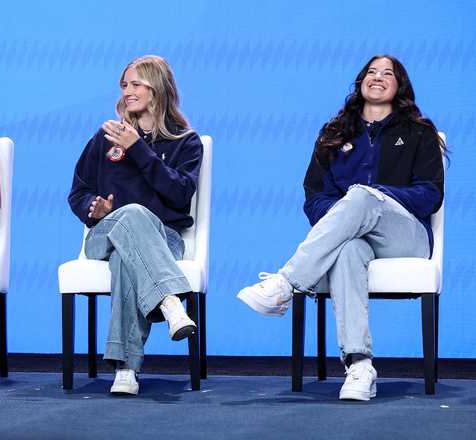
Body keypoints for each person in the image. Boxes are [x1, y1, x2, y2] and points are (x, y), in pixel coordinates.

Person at [237, 54, 445, 401]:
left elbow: (430, 195)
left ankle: (286, 282)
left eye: (387, 73)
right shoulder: (334, 133)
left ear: (399, 85)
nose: (377, 77)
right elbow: (314, 198)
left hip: (406, 237)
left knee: (363, 197)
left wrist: (375, 198)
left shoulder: (418, 132)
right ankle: (360, 365)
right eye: (371, 72)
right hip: (353, 240)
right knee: (347, 248)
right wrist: (350, 212)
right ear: (361, 81)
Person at [68, 55, 203, 395]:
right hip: (103, 236)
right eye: (124, 85)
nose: (127, 91)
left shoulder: (185, 142)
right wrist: (93, 209)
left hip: (164, 240)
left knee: (129, 248)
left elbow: (179, 193)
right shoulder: (105, 138)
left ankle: (125, 367)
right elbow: (78, 191)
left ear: (157, 89)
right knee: (128, 215)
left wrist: (138, 149)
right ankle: (170, 301)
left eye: (135, 84)